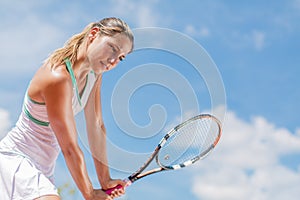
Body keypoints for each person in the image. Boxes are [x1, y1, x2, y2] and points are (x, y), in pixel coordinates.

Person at [0, 17, 134, 200]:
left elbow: (96, 126)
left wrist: (105, 180)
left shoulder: (94, 75)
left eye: (121, 58)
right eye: (112, 48)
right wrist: (89, 193)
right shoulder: (58, 77)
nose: (113, 60)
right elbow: (69, 147)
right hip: (15, 159)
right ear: (94, 35)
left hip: (44, 168)